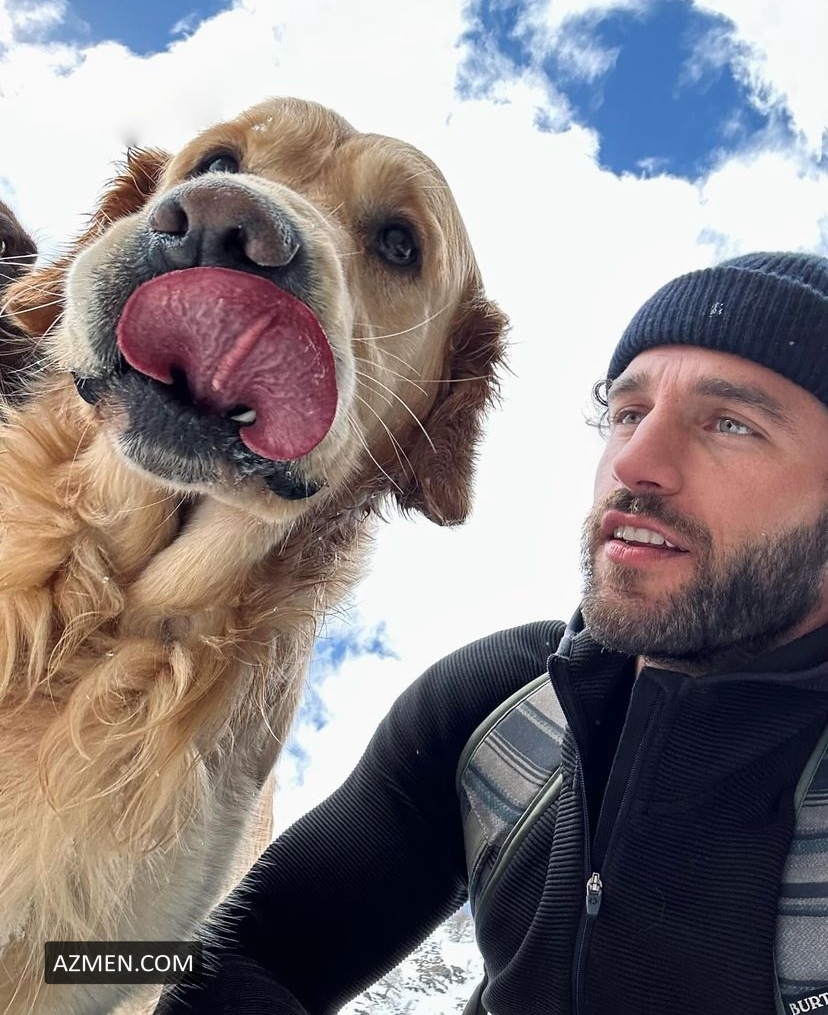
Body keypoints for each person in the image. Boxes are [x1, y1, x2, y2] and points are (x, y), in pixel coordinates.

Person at [154, 251, 828, 1015]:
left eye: (731, 424)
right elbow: (244, 949)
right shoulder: (502, 706)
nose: (636, 462)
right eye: (628, 412)